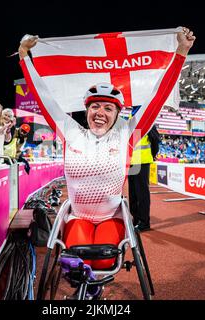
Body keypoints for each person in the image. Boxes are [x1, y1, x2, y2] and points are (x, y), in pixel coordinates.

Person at [18, 27, 195, 275]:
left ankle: (90, 290)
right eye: (95, 107)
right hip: (78, 216)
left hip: (111, 217)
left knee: (101, 262)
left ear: (117, 115)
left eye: (108, 109)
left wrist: (181, 52)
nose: (100, 113)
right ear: (86, 110)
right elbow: (43, 96)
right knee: (78, 261)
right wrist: (24, 56)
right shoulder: (71, 132)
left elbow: (158, 95)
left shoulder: (127, 133)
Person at [128, 123, 160, 232]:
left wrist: (152, 154)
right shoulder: (131, 120)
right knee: (133, 193)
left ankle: (144, 222)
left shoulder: (148, 121)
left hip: (142, 162)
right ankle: (136, 219)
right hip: (132, 162)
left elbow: (155, 140)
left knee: (142, 194)